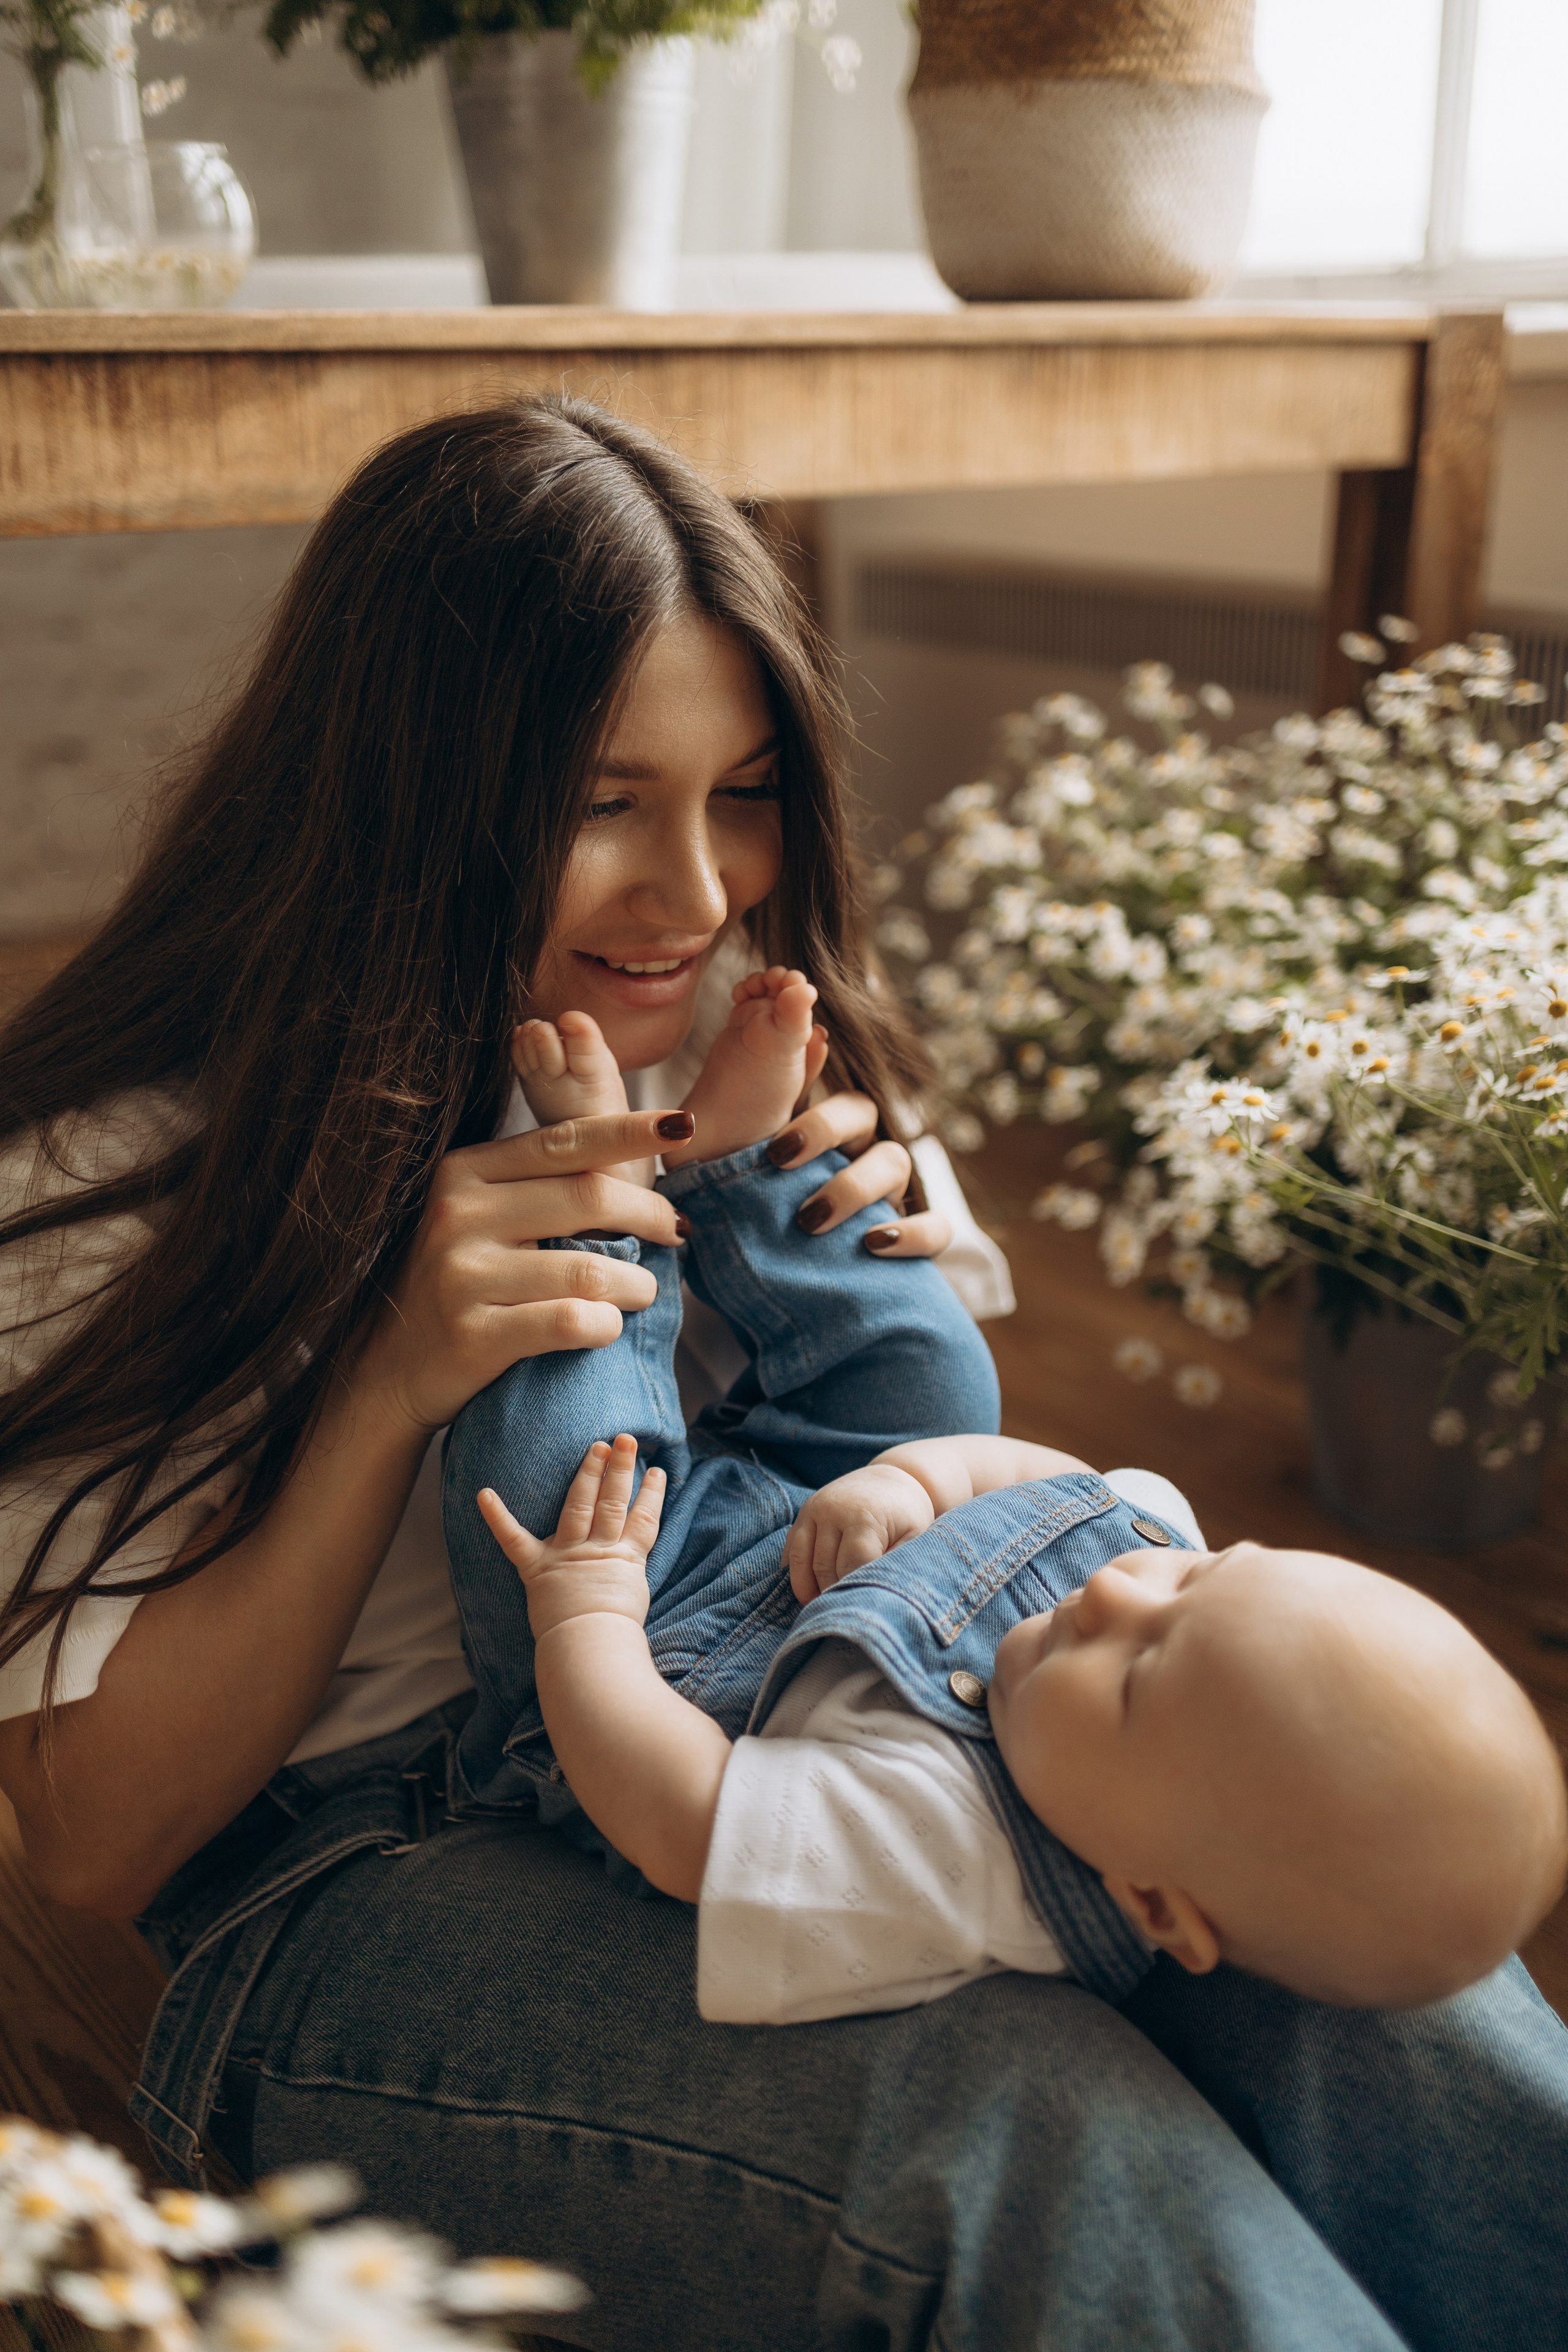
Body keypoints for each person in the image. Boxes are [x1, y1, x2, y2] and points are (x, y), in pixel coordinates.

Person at [0, 396, 1562, 2352]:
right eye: (596, 801)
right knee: (1041, 2132)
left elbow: (930, 1523)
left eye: (745, 791)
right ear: (397, 793)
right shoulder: (113, 1169)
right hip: (372, 1878)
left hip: (885, 1754)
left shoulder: (756, 1047)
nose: (701, 890)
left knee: (1353, 1960)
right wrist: (398, 1372)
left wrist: (872, 1275)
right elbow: (89, 1846)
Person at [449, 1000, 1567, 2024]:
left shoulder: (955, 1864)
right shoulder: (1150, 1567)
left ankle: (599, 1220)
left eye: (1137, 1681)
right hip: (846, 1507)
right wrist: (914, 1482)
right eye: (1199, 1580)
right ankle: (752, 1172)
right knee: (941, 1376)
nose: (1119, 1595)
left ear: (1150, 1902)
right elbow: (1042, 1479)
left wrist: (582, 1618)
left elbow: (681, 1817)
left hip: (644, 1629)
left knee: (554, 1482)